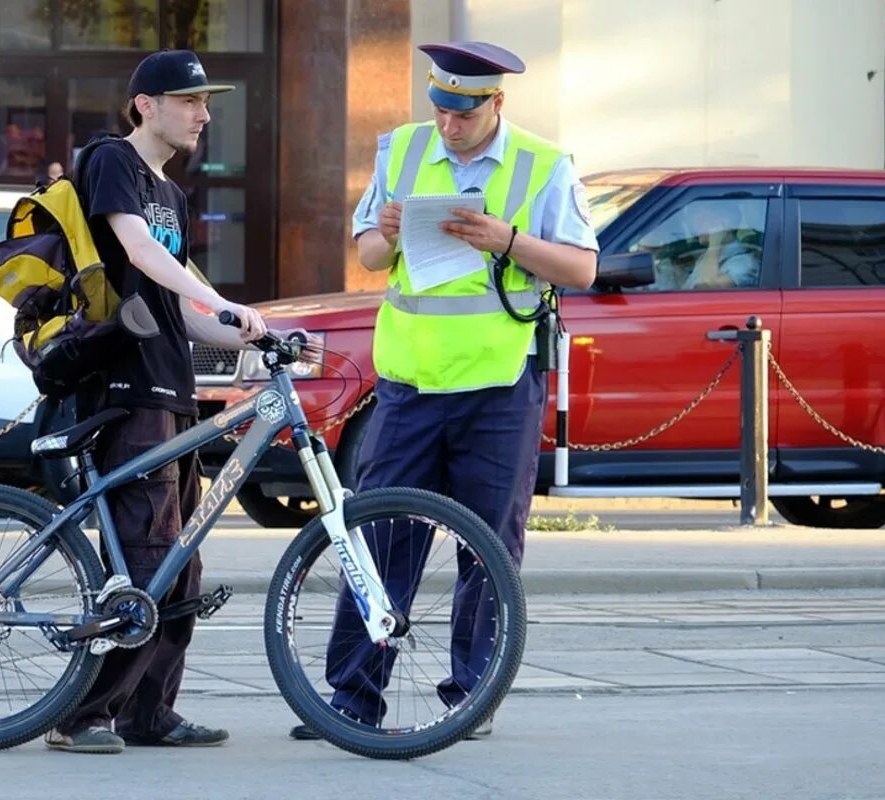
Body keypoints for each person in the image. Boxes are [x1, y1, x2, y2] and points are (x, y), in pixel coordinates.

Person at [289, 41, 600, 742]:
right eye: (439, 108)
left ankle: (473, 696)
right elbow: (367, 251)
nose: (448, 125)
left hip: (498, 387)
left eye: (463, 112)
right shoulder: (401, 150)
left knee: (487, 548)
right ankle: (353, 698)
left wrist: (507, 239)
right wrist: (389, 234)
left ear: (497, 103)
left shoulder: (544, 165)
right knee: (378, 539)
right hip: (409, 385)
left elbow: (582, 268)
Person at [44, 48, 268, 755]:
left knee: (181, 564)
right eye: (190, 101)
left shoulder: (173, 194)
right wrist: (219, 297)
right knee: (148, 559)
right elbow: (140, 254)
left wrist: (254, 337)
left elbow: (183, 308)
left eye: (206, 102)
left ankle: (149, 712)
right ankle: (81, 716)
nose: (204, 115)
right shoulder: (112, 161)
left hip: (171, 390)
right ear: (146, 105)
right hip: (124, 387)